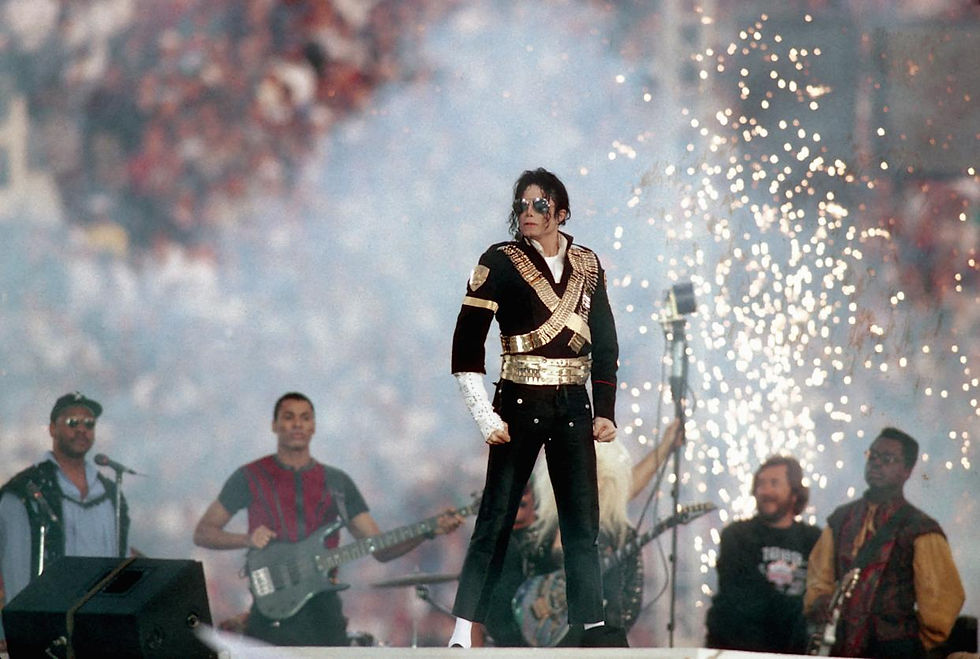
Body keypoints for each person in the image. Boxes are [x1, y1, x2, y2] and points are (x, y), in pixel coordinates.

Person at [447, 167, 624, 648]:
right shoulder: (499, 261)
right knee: (496, 519)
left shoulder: (588, 263)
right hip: (517, 402)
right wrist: (485, 415)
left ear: (560, 212)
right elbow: (466, 347)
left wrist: (604, 408)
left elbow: (604, 340)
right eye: (522, 205)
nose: (527, 213)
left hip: (573, 402)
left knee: (581, 523)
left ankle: (588, 625)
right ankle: (465, 628)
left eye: (539, 205)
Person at [193, 391, 463, 647]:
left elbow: (379, 548)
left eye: (305, 417)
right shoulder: (250, 476)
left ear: (313, 427)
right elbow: (204, 532)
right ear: (274, 425)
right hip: (270, 611)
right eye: (289, 417)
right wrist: (246, 539)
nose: (297, 424)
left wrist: (429, 529)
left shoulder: (337, 483)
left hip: (323, 612)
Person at [476, 418, 684, 647]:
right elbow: (504, 608)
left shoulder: (617, 535)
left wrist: (665, 447)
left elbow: (626, 604)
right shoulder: (535, 534)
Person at [804, 427, 965, 658]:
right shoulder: (841, 519)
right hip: (837, 646)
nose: (876, 463)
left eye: (888, 459)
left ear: (907, 471)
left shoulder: (920, 529)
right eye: (873, 456)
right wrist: (819, 601)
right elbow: (819, 578)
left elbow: (942, 604)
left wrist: (909, 645)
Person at [0, 392, 130, 647]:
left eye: (89, 424)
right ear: (52, 429)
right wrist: (26, 636)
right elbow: (17, 579)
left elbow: (121, 566)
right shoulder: (24, 493)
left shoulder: (111, 494)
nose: (82, 429)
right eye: (72, 423)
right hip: (48, 635)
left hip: (102, 632)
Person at [705, 455, 821, 653]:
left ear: (795, 492)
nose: (764, 491)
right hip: (739, 648)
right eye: (760, 484)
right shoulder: (737, 535)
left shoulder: (813, 539)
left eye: (774, 483)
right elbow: (740, 599)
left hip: (794, 649)